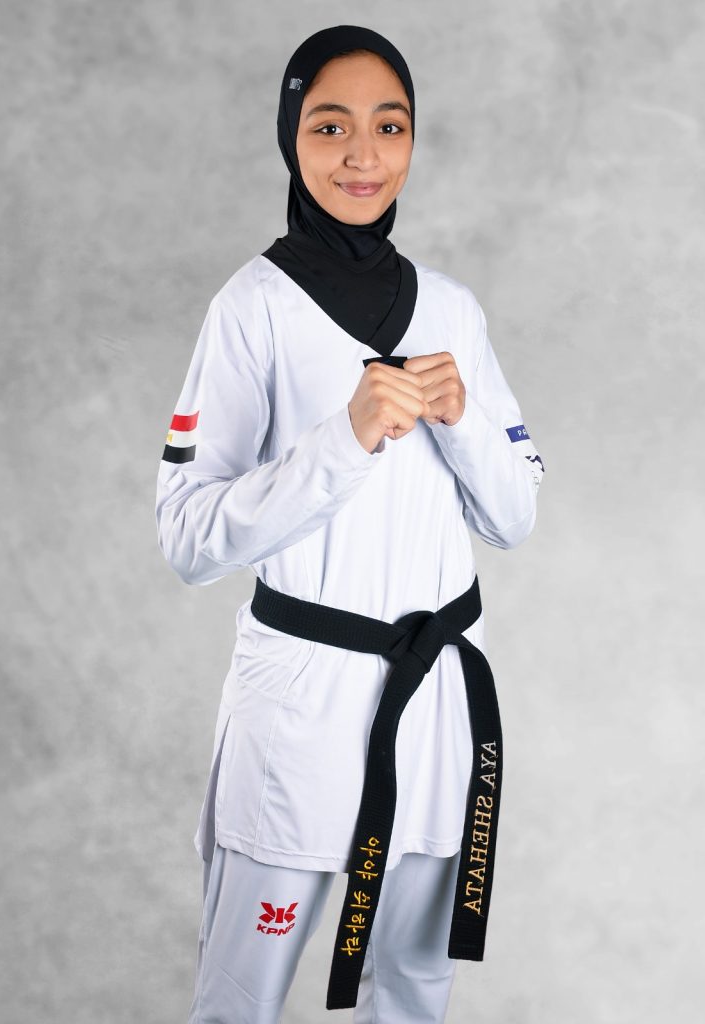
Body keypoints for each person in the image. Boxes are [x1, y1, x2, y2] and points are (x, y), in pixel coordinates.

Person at [155, 24, 544, 1024]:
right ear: (290, 137)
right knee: (240, 1001)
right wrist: (344, 438)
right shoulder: (251, 310)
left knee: (411, 994)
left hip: (437, 698)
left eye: (388, 126)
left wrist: (461, 422)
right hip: (302, 707)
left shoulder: (452, 311)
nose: (362, 154)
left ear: (413, 139)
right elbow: (188, 537)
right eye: (330, 127)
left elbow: (514, 516)